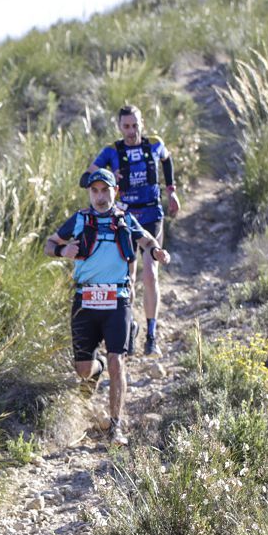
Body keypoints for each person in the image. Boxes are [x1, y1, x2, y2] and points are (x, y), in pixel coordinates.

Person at [45, 169, 171, 446]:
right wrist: (61, 251)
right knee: (82, 369)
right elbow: (49, 243)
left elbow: (147, 240)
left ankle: (116, 425)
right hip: (85, 301)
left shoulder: (125, 219)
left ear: (115, 191)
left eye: (105, 190)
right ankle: (96, 368)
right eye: (95, 191)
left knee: (118, 362)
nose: (100, 197)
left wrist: (156, 251)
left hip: (117, 300)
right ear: (89, 193)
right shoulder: (79, 219)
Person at [82, 105, 179, 357]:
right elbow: (86, 177)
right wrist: (108, 176)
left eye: (135, 125)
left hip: (152, 214)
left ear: (141, 123)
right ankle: (131, 326)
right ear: (119, 126)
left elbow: (167, 161)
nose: (131, 131)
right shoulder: (112, 151)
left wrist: (172, 191)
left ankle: (151, 334)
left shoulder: (155, 144)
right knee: (129, 277)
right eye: (126, 126)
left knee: (151, 274)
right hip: (124, 218)